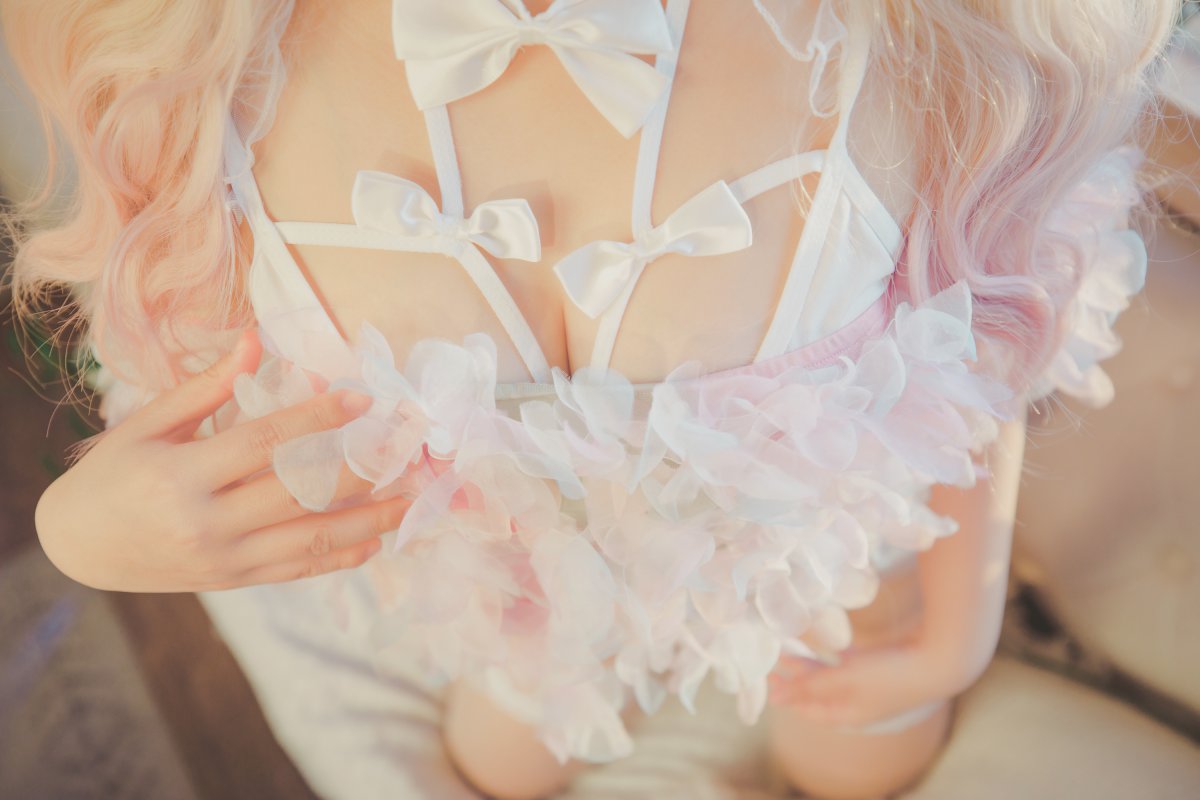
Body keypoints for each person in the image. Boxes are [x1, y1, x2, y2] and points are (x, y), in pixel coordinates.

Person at [1, 1, 1177, 798]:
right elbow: (196, 362)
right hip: (517, 608)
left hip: (822, 576)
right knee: (499, 763)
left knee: (863, 759)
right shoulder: (186, 50)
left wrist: (959, 620)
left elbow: (982, 329)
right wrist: (80, 529)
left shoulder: (921, 31)